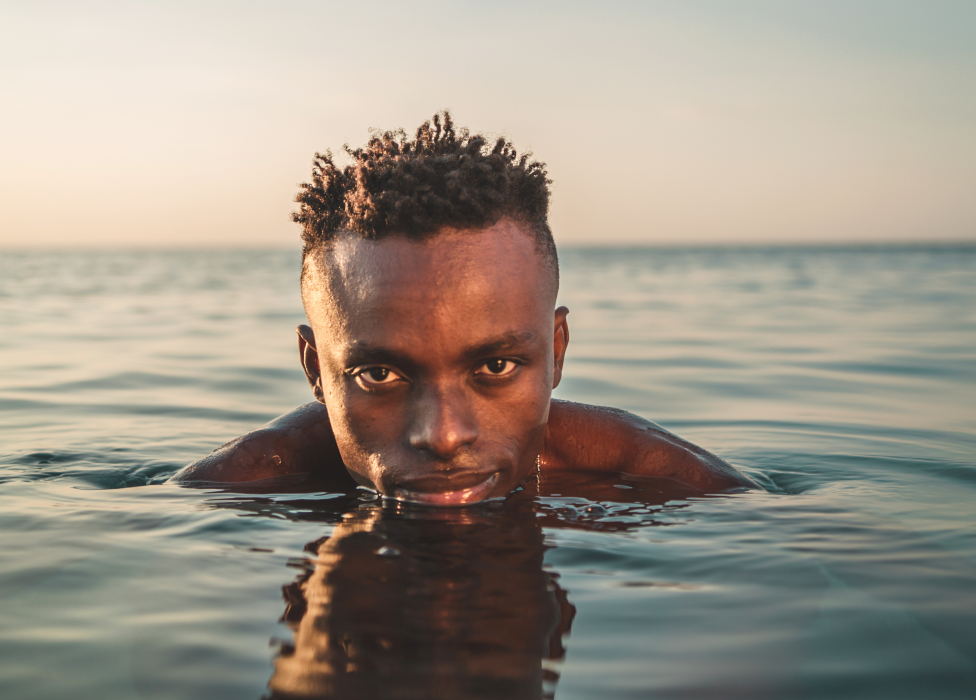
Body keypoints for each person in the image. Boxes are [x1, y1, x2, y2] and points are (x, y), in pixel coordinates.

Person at [173, 111, 756, 502]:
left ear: (555, 352)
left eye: (495, 367)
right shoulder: (233, 488)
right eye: (380, 374)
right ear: (314, 369)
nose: (444, 436)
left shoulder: (678, 486)